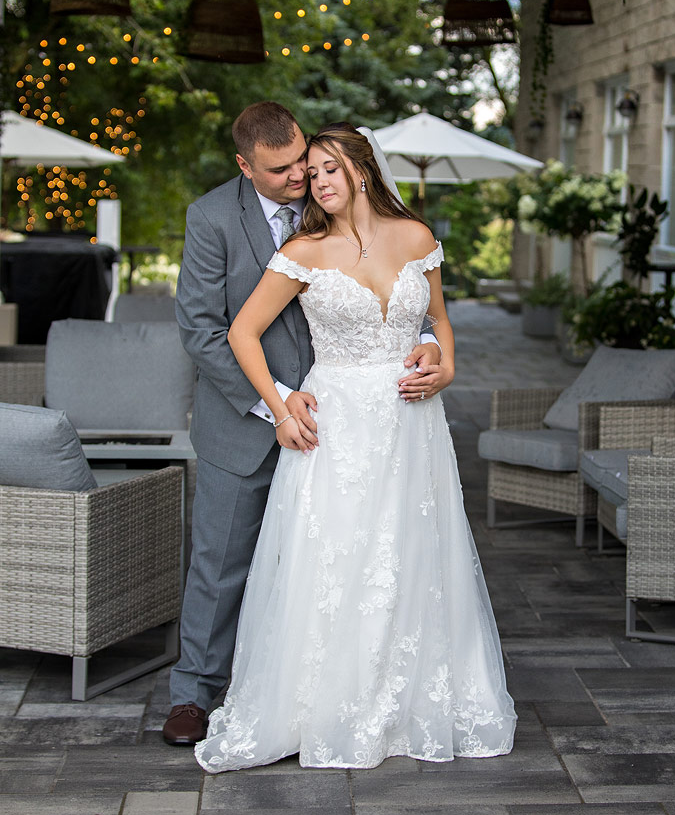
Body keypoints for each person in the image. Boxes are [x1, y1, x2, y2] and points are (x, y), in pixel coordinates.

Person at [195, 123, 516, 771]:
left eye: (328, 169)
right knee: (336, 558)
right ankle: (327, 707)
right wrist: (282, 404)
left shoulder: (417, 238)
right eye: (311, 174)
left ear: (361, 169)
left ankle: (407, 704)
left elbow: (439, 323)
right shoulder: (304, 249)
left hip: (409, 423)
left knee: (409, 557)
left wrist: (442, 363)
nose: (318, 182)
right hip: (336, 423)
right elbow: (242, 332)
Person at [163, 104, 442, 745]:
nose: (300, 178)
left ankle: (323, 693)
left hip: (347, 428)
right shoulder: (211, 218)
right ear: (245, 165)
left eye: (303, 161)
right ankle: (193, 695)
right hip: (247, 421)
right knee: (220, 561)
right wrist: (281, 402)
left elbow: (391, 293)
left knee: (328, 565)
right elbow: (204, 332)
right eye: (281, 168)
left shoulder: (333, 201)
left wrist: (425, 340)